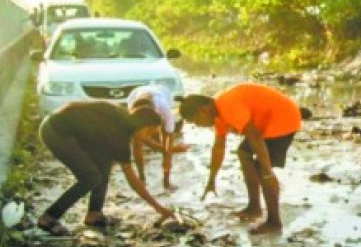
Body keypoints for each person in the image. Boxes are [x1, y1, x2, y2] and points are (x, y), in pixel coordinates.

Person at [36, 100, 175, 235]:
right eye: (150, 132)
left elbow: (138, 135)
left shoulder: (124, 116)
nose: (150, 137)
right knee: (90, 178)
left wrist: (161, 148)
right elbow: (132, 180)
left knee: (104, 163)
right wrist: (157, 207)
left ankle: (94, 214)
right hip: (56, 131)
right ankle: (49, 217)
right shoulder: (118, 137)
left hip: (70, 128)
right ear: (141, 125)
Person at [180, 83, 301, 235]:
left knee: (260, 167)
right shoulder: (218, 114)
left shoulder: (228, 107)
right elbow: (218, 148)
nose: (199, 126)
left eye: (197, 121)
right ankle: (254, 207)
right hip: (265, 122)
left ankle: (274, 222)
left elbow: (255, 137)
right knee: (244, 153)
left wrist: (268, 172)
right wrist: (211, 180)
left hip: (283, 118)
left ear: (204, 110)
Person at [127, 84, 186, 189]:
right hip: (136, 95)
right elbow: (137, 138)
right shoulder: (132, 106)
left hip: (162, 94)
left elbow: (169, 136)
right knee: (137, 143)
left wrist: (167, 157)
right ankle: (142, 179)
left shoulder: (165, 109)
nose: (150, 134)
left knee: (165, 137)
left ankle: (166, 181)